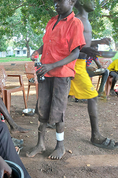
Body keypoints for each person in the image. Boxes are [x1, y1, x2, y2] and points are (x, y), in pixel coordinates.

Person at [26, 0, 85, 160]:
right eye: (54, 2)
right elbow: (47, 44)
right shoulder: (52, 21)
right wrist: (38, 51)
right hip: (45, 72)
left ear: (72, 2)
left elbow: (75, 53)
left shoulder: (76, 23)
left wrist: (51, 65)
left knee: (58, 111)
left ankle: (60, 146)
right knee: (42, 108)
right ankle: (40, 144)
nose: (56, 4)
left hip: (61, 74)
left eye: (60, 1)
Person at [69, 0, 118, 149]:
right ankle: (95, 136)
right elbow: (68, 45)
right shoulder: (77, 19)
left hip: (80, 63)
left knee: (58, 95)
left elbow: (84, 43)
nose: (94, 3)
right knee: (92, 97)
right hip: (75, 64)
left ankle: (51, 122)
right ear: (82, 2)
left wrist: (99, 41)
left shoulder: (85, 20)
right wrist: (85, 50)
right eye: (91, 1)